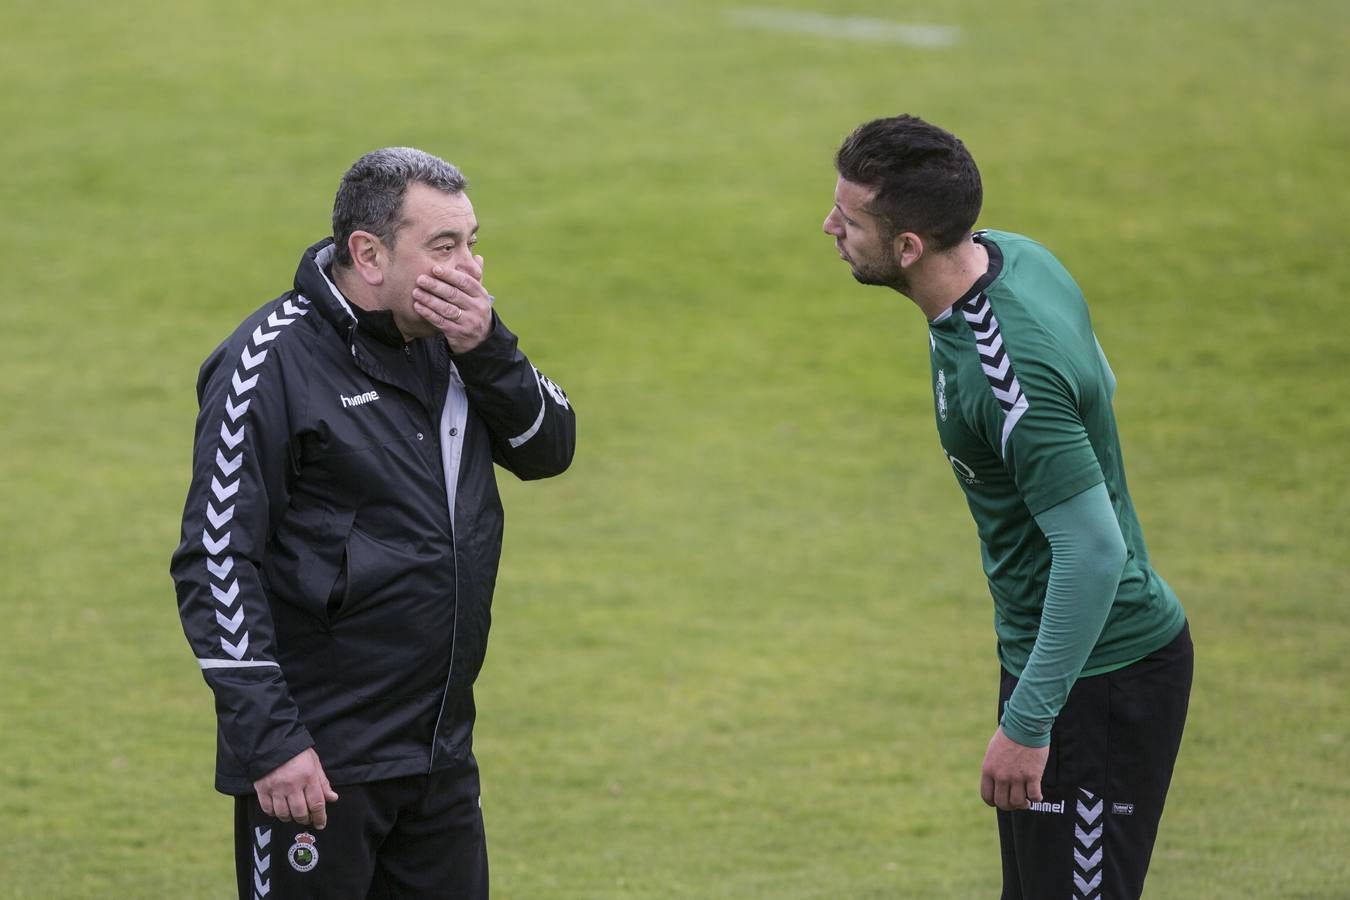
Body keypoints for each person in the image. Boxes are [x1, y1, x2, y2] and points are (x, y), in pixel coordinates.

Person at [170, 147, 575, 899]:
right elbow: (216, 558)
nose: (472, 268)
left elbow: (549, 448)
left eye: (473, 242)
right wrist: (272, 742)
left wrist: (489, 349)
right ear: (369, 253)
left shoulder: (457, 341)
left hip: (439, 755)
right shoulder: (268, 362)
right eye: (445, 247)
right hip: (317, 766)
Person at [823, 115, 1192, 899]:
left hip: (1100, 679)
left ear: (910, 247)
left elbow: (1096, 552)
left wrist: (1029, 726)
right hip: (1050, 661)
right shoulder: (1013, 255)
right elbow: (1102, 382)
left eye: (849, 220)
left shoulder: (1006, 373)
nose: (830, 228)